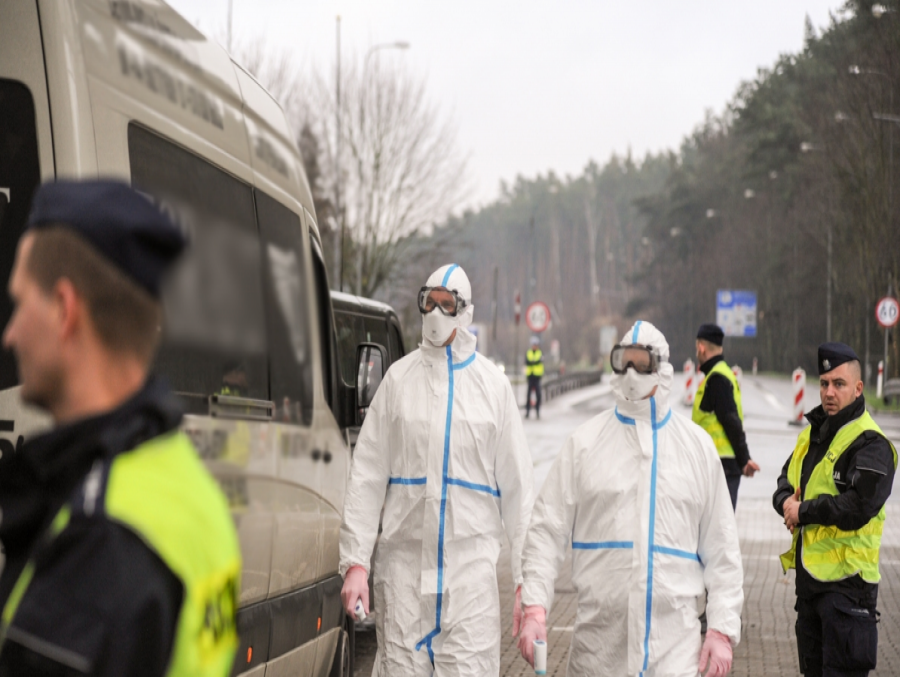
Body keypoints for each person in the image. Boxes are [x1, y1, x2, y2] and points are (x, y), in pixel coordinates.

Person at [0, 180, 240, 676]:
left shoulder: (101, 536)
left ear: (64, 311)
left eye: (19, 304)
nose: (10, 332)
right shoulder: (191, 492)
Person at [339, 263, 534, 676]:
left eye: (447, 305)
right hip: (403, 581)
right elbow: (367, 475)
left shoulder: (492, 390)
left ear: (465, 313)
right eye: (430, 302)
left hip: (470, 590)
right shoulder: (398, 381)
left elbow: (519, 495)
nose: (436, 313)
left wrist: (527, 584)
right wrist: (356, 562)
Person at [517, 321, 743, 676]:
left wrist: (721, 629)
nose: (632, 373)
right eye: (625, 362)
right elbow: (546, 531)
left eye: (643, 364)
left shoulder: (697, 448)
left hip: (673, 651)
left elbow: (723, 550)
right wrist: (534, 607)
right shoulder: (585, 443)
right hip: (598, 652)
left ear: (663, 368)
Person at [775, 342, 896, 677]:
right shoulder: (812, 435)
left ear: (858, 389)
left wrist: (803, 511)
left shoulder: (871, 443)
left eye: (839, 384)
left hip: (847, 590)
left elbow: (859, 506)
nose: (829, 392)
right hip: (810, 589)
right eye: (824, 383)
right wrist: (786, 502)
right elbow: (785, 480)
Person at [693, 323, 760, 509]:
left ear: (701, 347)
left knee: (719, 534)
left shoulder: (717, 379)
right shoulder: (719, 375)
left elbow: (731, 420)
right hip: (719, 466)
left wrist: (744, 459)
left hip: (720, 467)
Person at [525, 335, 544, 419]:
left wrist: (533, 362)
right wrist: (534, 362)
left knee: (538, 395)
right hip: (530, 376)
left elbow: (538, 362)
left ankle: (537, 412)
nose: (535, 346)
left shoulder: (540, 353)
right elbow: (527, 362)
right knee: (528, 395)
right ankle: (527, 412)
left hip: (537, 377)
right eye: (533, 345)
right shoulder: (528, 352)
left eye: (536, 345)